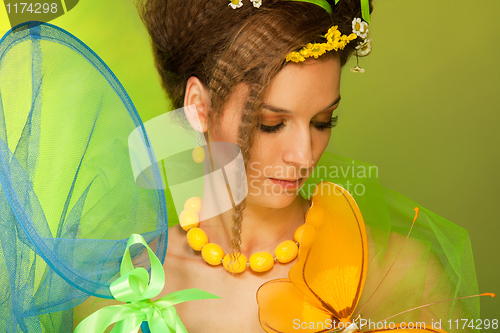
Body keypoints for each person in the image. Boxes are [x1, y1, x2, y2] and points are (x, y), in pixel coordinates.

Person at [0, 1, 481, 332]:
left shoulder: (392, 274)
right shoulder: (120, 290)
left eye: (323, 120)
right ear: (197, 107)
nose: (304, 155)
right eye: (271, 123)